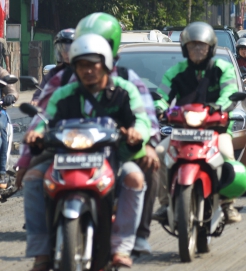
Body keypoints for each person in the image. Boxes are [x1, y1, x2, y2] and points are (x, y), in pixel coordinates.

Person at [17, 12, 161, 256]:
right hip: (64, 149)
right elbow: (42, 118)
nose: (87, 67)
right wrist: (25, 157)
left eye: (94, 55)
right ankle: (41, 247)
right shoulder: (62, 84)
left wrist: (143, 139)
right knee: (32, 177)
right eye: (81, 56)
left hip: (114, 149)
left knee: (148, 166)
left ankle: (134, 236)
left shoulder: (125, 83)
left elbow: (144, 117)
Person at [152, 22, 243, 224]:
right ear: (185, 48)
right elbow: (162, 95)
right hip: (182, 131)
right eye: (193, 46)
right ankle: (166, 203)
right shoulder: (176, 71)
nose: (198, 50)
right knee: (159, 153)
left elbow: (229, 92)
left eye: (202, 46)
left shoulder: (222, 68)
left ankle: (228, 204)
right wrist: (160, 107)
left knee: (227, 155)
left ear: (210, 47)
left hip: (216, 130)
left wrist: (220, 106)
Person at [30, 29, 75, 106]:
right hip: (57, 113)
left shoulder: (84, 71)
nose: (67, 52)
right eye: (63, 49)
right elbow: (41, 92)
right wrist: (36, 100)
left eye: (70, 48)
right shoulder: (54, 73)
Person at [0, 66, 17, 189]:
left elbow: (12, 91)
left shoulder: (1, 72)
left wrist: (10, 96)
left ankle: (1, 172)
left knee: (1, 127)